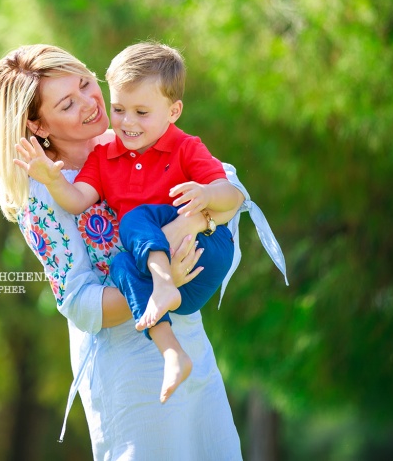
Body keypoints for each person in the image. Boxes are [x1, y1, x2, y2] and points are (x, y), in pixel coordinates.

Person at [0, 44, 287, 460]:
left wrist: (193, 223)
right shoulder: (41, 197)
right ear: (37, 125)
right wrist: (162, 279)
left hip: (189, 338)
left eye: (86, 83)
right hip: (127, 365)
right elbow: (79, 302)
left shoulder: (129, 136)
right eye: (67, 104)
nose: (90, 102)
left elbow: (226, 185)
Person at [14, 42, 243, 404]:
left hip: (203, 257)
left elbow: (234, 196)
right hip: (145, 332)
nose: (126, 121)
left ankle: (162, 286)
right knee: (122, 264)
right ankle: (172, 353)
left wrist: (205, 199)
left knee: (135, 220)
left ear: (173, 111)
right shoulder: (102, 158)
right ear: (38, 124)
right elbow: (76, 201)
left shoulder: (177, 145)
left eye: (85, 84)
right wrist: (54, 180)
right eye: (119, 109)